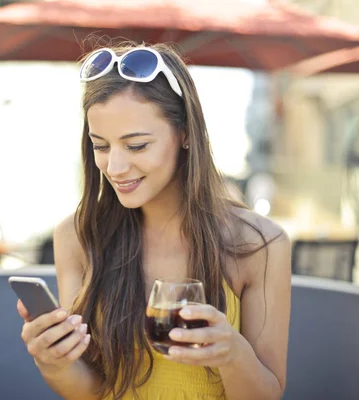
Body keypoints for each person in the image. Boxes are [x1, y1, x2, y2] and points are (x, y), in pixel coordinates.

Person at [17, 42, 291, 400]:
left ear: (186, 134)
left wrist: (232, 353)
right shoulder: (78, 236)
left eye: (136, 146)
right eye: (101, 146)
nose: (114, 168)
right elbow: (96, 391)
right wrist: (53, 363)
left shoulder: (259, 244)